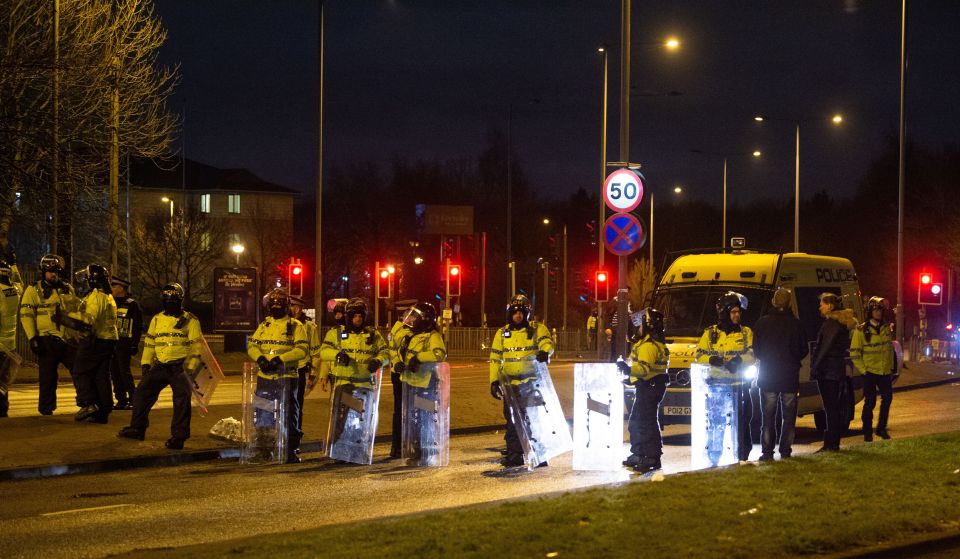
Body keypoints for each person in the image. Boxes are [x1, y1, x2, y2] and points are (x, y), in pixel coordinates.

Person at [118, 283, 202, 449]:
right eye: (167, 301)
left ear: (180, 301)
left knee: (181, 402)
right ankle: (137, 428)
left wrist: (190, 370)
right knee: (141, 393)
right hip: (161, 365)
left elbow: (196, 347)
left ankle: (178, 437)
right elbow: (150, 343)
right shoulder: (157, 319)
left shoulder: (190, 320)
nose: (170, 304)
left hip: (180, 367)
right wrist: (145, 363)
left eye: (174, 301)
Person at [488, 294, 554, 468]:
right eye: (514, 312)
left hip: (530, 383)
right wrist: (494, 381)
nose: (518, 315)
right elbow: (495, 359)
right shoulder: (502, 333)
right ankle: (515, 455)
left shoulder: (536, 328)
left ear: (527, 313)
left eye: (521, 312)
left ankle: (539, 454)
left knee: (533, 420)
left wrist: (545, 352)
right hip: (510, 385)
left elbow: (547, 343)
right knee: (512, 421)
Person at [247, 288, 309, 463]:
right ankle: (264, 448)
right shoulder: (264, 325)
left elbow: (301, 350)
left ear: (286, 306)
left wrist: (280, 360)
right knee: (263, 413)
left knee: (290, 415)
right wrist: (260, 359)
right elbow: (252, 345)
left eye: (279, 305)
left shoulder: (296, 326)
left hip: (287, 376)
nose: (275, 308)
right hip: (265, 376)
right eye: (273, 305)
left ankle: (290, 450)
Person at [695, 291, 755, 463]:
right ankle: (714, 458)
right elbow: (699, 356)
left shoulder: (745, 333)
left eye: (738, 312)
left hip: (739, 386)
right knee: (716, 424)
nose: (737, 315)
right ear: (724, 313)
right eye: (733, 312)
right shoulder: (710, 333)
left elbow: (752, 355)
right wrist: (711, 359)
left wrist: (739, 360)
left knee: (743, 424)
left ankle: (742, 456)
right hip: (716, 387)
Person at [753, 287, 808, 461]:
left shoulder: (762, 323)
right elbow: (803, 349)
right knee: (789, 416)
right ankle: (785, 450)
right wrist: (791, 359)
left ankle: (767, 452)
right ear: (789, 303)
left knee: (768, 417)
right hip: (789, 375)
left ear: (773, 302)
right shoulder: (796, 324)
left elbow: (757, 350)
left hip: (768, 375)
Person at [19, 254, 79, 415]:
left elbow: (75, 312)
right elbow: (26, 315)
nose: (54, 275)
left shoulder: (67, 288)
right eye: (51, 271)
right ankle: (46, 409)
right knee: (47, 377)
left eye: (57, 272)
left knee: (80, 371)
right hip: (46, 339)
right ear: (43, 271)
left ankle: (85, 402)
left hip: (66, 339)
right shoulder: (33, 289)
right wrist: (33, 337)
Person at [62, 264, 119, 424]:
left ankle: (88, 404)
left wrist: (66, 317)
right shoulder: (107, 296)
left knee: (80, 371)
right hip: (108, 341)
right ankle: (104, 409)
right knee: (101, 376)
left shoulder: (96, 296)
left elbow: (88, 320)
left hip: (95, 341)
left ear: (92, 280)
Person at [617, 308, 669, 472]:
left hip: (650, 386)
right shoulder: (647, 344)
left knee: (646, 423)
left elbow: (644, 369)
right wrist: (630, 377)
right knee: (637, 421)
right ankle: (639, 453)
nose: (637, 328)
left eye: (639, 325)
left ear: (648, 326)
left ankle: (651, 457)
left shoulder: (648, 346)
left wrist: (627, 370)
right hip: (649, 386)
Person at [394, 302, 447, 463]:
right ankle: (415, 449)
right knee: (413, 418)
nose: (412, 320)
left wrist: (419, 358)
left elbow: (439, 354)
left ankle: (426, 448)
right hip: (410, 384)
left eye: (416, 317)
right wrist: (398, 362)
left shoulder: (432, 336)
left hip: (426, 385)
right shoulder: (411, 335)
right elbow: (397, 350)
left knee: (425, 418)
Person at [809, 292, 858, 452]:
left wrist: (815, 367)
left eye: (822, 304)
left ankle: (831, 443)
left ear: (830, 306)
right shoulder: (840, 323)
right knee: (833, 407)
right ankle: (832, 442)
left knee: (830, 408)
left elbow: (824, 348)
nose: (819, 307)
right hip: (835, 370)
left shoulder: (831, 324)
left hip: (828, 371)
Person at [851, 296, 896, 441]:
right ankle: (867, 432)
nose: (878, 313)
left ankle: (881, 428)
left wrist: (890, 368)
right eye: (876, 310)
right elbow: (855, 353)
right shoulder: (861, 330)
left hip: (884, 371)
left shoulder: (886, 328)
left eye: (880, 311)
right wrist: (864, 370)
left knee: (887, 398)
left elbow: (888, 349)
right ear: (870, 311)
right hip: (869, 371)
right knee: (870, 402)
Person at [289, 295, 321, 454]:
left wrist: (313, 374)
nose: (294, 310)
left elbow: (316, 353)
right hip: (282, 369)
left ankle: (295, 440)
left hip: (300, 370)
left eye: (298, 307)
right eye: (292, 306)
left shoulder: (309, 327)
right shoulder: (283, 324)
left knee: (296, 407)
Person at [109, 277, 142, 410]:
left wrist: (134, 344)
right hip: (112, 343)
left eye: (114, 286)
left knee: (124, 372)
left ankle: (133, 399)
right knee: (114, 372)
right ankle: (121, 399)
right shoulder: (110, 303)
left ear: (121, 288)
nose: (111, 289)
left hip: (124, 343)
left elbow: (138, 326)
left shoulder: (132, 304)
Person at [387, 311, 414, 458]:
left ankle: (406, 444)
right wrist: (397, 363)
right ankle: (397, 446)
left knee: (410, 409)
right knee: (400, 410)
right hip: (399, 374)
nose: (411, 319)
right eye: (409, 316)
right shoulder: (398, 330)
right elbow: (392, 350)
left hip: (410, 374)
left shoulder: (412, 329)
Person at [0, 251, 23, 417]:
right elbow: (19, 283)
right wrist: (14, 266)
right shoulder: (13, 292)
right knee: (3, 383)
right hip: (9, 346)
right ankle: (2, 411)